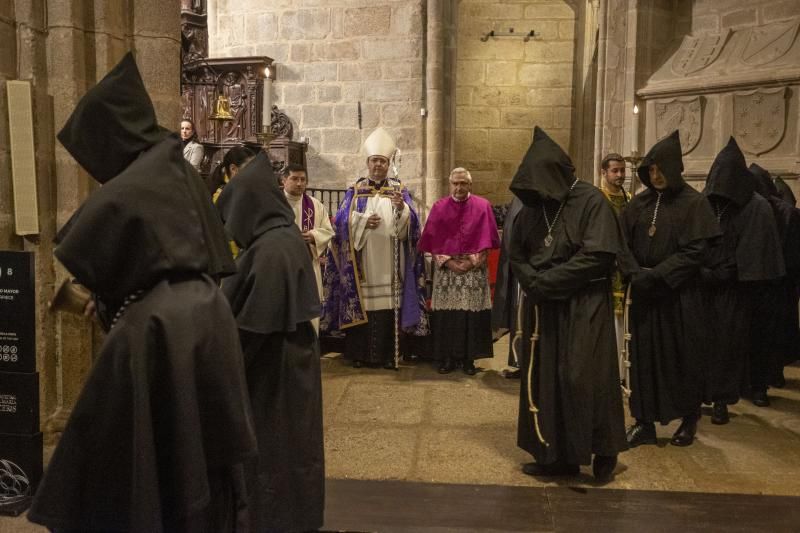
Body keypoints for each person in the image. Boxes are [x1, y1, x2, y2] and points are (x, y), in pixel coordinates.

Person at [28, 52, 256, 532]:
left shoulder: (150, 323)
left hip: (161, 330)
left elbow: (98, 457)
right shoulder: (176, 174)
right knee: (201, 475)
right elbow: (165, 255)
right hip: (199, 321)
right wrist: (112, 301)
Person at [509, 127, 628, 482]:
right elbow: (517, 253)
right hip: (544, 306)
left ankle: (603, 450)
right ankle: (553, 454)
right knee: (546, 378)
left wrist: (546, 281)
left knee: (583, 377)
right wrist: (532, 280)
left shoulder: (591, 200)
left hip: (583, 304)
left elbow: (598, 255)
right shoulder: (536, 205)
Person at [217, 150, 325, 533]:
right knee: (292, 456)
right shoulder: (277, 239)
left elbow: (253, 330)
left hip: (273, 376)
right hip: (285, 369)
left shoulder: (271, 250)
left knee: (274, 460)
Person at [622, 130, 720, 448]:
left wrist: (659, 274)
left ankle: (688, 419)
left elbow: (696, 252)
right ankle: (644, 422)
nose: (656, 175)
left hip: (680, 296)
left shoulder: (695, 203)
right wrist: (633, 272)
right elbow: (619, 243)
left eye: (661, 169)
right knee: (643, 358)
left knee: (683, 358)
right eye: (650, 170)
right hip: (645, 295)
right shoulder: (638, 204)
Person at [321, 127, 427, 369]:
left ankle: (390, 356)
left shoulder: (399, 191)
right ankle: (360, 354)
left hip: (391, 265)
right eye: (374, 161)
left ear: (388, 164)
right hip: (363, 266)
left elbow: (412, 228)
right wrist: (361, 222)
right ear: (367, 163)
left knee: (389, 309)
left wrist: (402, 210)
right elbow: (339, 224)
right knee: (365, 307)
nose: (378, 165)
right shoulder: (355, 191)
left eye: (382, 161)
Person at [700, 138, 784, 424]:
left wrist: (730, 271)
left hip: (741, 290)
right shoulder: (707, 204)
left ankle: (734, 395)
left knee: (738, 344)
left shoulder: (757, 206)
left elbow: (757, 253)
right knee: (712, 345)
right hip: (709, 287)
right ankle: (711, 395)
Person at [418, 167, 500, 375]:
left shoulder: (483, 206)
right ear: (450, 184)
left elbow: (488, 242)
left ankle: (468, 360)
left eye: (463, 183)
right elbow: (433, 242)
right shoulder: (438, 207)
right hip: (447, 271)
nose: (459, 187)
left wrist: (471, 263)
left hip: (474, 271)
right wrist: (450, 263)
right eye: (455, 183)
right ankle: (447, 358)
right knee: (448, 316)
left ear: (470, 185)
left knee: (470, 317)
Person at [749, 163, 800, 395]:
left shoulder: (784, 212)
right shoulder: (755, 209)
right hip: (771, 284)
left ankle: (767, 377)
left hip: (777, 285)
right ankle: (768, 377)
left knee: (770, 335)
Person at [281, 164, 335, 308]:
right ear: (284, 180)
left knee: (307, 310)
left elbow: (328, 230)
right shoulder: (275, 203)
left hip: (309, 265)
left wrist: (313, 236)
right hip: (281, 265)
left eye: (303, 179)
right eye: (294, 179)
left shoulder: (315, 205)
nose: (299, 183)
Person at [598, 153, 630, 384]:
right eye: (615, 171)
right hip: (603, 269)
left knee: (624, 321)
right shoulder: (597, 198)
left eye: (622, 170)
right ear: (604, 172)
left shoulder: (630, 198)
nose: (620, 175)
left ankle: (621, 372)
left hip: (624, 268)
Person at [491, 195, 524, 379]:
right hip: (517, 269)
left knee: (526, 319)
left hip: (531, 270)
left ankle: (531, 367)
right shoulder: (518, 199)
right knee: (518, 320)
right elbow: (503, 213)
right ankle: (521, 363)